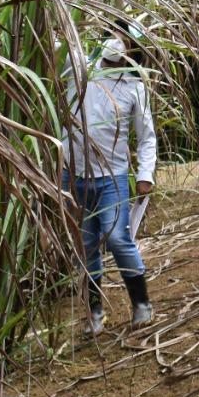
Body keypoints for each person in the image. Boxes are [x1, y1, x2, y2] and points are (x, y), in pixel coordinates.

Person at [64, 33, 156, 334]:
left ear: (133, 51)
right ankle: (94, 313)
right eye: (115, 36)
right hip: (73, 174)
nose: (117, 43)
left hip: (111, 177)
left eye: (125, 40)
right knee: (86, 246)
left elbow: (146, 137)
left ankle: (141, 304)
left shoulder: (134, 87)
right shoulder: (78, 68)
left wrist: (145, 175)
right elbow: (54, 41)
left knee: (117, 238)